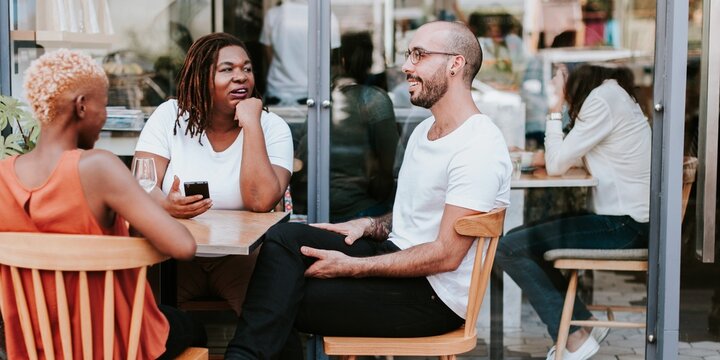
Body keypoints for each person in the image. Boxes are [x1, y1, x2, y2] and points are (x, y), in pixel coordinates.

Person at [225, 20, 512, 359]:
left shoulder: (478, 145)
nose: (406, 66)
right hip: (398, 256)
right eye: (409, 55)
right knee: (283, 239)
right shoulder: (424, 131)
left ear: (455, 64)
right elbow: (418, 215)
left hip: (433, 297)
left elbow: (447, 255)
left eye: (419, 55)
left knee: (281, 296)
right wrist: (370, 225)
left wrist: (351, 266)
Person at [0, 49, 206, 359]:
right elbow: (183, 246)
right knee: (192, 326)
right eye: (105, 104)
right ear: (82, 106)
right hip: (113, 343)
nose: (105, 115)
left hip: (35, 346)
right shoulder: (97, 167)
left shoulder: (2, 176)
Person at [495, 64, 651, 360]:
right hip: (625, 222)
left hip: (624, 227)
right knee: (517, 241)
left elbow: (557, 164)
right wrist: (536, 156)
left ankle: (576, 336)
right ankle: (582, 325)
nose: (552, 88)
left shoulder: (602, 100)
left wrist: (555, 110)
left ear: (572, 78)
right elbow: (575, 157)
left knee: (509, 248)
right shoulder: (612, 95)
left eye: (556, 81)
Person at [133, 33, 294, 316]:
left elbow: (260, 201)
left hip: (243, 260)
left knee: (269, 322)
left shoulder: (272, 127)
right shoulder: (169, 116)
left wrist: (252, 125)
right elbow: (141, 184)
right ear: (200, 78)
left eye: (247, 68)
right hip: (175, 253)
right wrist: (164, 205)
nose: (241, 77)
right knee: (144, 319)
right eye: (227, 69)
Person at [293, 31, 400, 222]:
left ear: (340, 61)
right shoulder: (375, 99)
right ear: (370, 62)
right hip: (358, 211)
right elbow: (388, 168)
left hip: (313, 208)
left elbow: (302, 155)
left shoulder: (322, 101)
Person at [260, 0, 341, 105]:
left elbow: (268, 52)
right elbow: (329, 58)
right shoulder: (327, 16)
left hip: (278, 92)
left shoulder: (273, 14)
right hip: (313, 95)